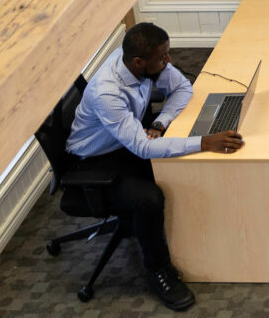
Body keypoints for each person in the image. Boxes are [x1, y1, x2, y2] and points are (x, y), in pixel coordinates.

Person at [67, 22, 245, 311]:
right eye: (162, 58)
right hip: (94, 161)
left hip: (126, 138)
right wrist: (204, 142)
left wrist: (161, 122)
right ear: (139, 62)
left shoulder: (143, 63)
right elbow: (142, 148)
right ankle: (158, 272)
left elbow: (182, 88)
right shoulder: (107, 93)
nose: (168, 61)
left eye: (167, 54)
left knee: (181, 165)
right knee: (148, 200)